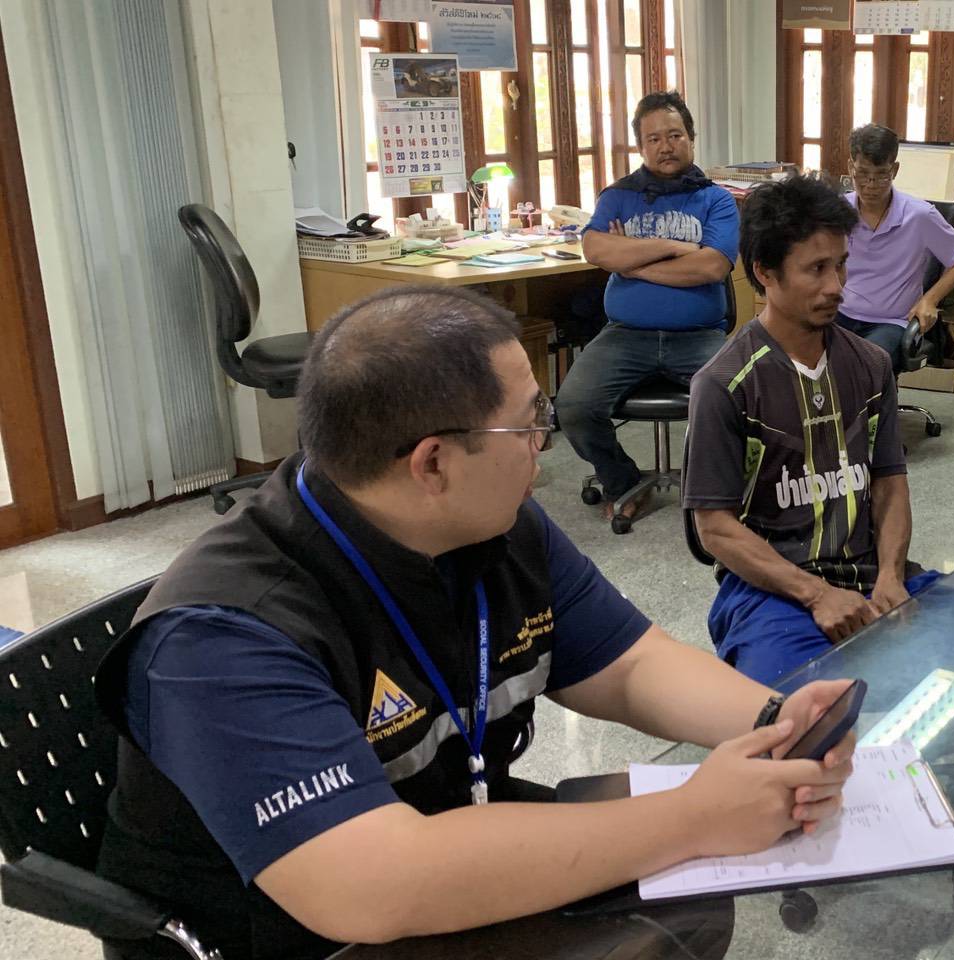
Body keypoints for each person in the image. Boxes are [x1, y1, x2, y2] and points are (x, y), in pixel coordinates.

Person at [93, 286, 856, 960]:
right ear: (432, 464)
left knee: (682, 909)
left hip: (445, 824)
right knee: (669, 877)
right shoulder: (222, 637)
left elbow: (628, 664)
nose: (543, 443)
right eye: (529, 424)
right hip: (292, 930)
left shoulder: (495, 526)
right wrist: (693, 816)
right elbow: (373, 885)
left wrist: (777, 723)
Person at [684, 175, 939, 685]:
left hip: (870, 572)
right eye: (816, 268)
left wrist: (891, 575)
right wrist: (817, 594)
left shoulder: (871, 365)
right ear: (765, 272)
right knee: (799, 707)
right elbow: (713, 528)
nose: (836, 286)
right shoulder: (725, 384)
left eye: (841, 264)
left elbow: (889, 483)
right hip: (769, 592)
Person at [556, 90, 737, 522]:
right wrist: (673, 247)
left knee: (740, 396)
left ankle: (717, 488)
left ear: (691, 138)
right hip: (625, 336)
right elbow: (596, 249)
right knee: (574, 405)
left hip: (699, 336)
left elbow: (711, 266)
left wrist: (632, 261)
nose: (665, 146)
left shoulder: (717, 199)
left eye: (674, 135)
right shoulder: (618, 196)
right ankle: (622, 481)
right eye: (653, 139)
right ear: (641, 147)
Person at [837, 123, 954, 370]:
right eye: (862, 174)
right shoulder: (838, 210)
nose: (870, 185)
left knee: (867, 365)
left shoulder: (919, 215)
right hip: (840, 314)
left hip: (890, 322)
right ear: (850, 167)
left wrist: (930, 300)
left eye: (881, 175)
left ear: (895, 170)